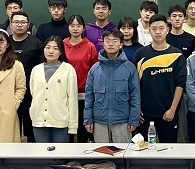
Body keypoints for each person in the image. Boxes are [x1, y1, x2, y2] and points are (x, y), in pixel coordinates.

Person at [133, 14, 187, 143]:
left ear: (167, 29)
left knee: (168, 149)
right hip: (144, 114)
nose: (158, 32)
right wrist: (136, 108)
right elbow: (134, 84)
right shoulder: (140, 54)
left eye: (161, 28)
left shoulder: (177, 54)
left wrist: (172, 110)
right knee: (143, 148)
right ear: (149, 30)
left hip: (168, 112)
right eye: (154, 28)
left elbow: (180, 84)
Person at [84, 29, 140, 143]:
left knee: (123, 152)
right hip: (99, 121)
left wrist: (134, 119)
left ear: (121, 44)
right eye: (107, 41)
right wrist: (88, 119)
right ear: (103, 43)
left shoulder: (129, 68)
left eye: (115, 41)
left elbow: (135, 96)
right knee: (101, 153)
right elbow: (89, 97)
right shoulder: (95, 69)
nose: (110, 44)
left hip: (122, 121)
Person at [29, 36, 78, 143]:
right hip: (39, 121)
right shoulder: (36, 70)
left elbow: (72, 99)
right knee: (42, 152)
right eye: (48, 47)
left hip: (60, 122)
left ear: (61, 52)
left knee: (60, 152)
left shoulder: (68, 69)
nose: (51, 51)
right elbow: (34, 93)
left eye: (55, 48)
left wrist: (73, 126)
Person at [63, 14, 99, 143]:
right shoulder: (62, 45)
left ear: (83, 28)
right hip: (65, 93)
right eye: (72, 25)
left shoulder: (90, 46)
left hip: (84, 93)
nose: (75, 28)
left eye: (78, 26)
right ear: (68, 27)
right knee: (67, 128)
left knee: (83, 129)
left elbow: (95, 70)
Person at [9, 11, 42, 143]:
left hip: (31, 90)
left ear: (28, 25)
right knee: (11, 124)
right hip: (9, 90)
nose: (19, 25)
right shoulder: (5, 42)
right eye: (16, 22)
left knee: (30, 124)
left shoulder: (36, 43)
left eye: (23, 22)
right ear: (11, 24)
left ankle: (32, 151)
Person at [166, 4, 195, 143]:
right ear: (169, 19)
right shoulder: (164, 38)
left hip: (184, 87)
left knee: (183, 122)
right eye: (174, 16)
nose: (177, 19)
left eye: (180, 16)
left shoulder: (191, 39)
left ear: (184, 19)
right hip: (166, 86)